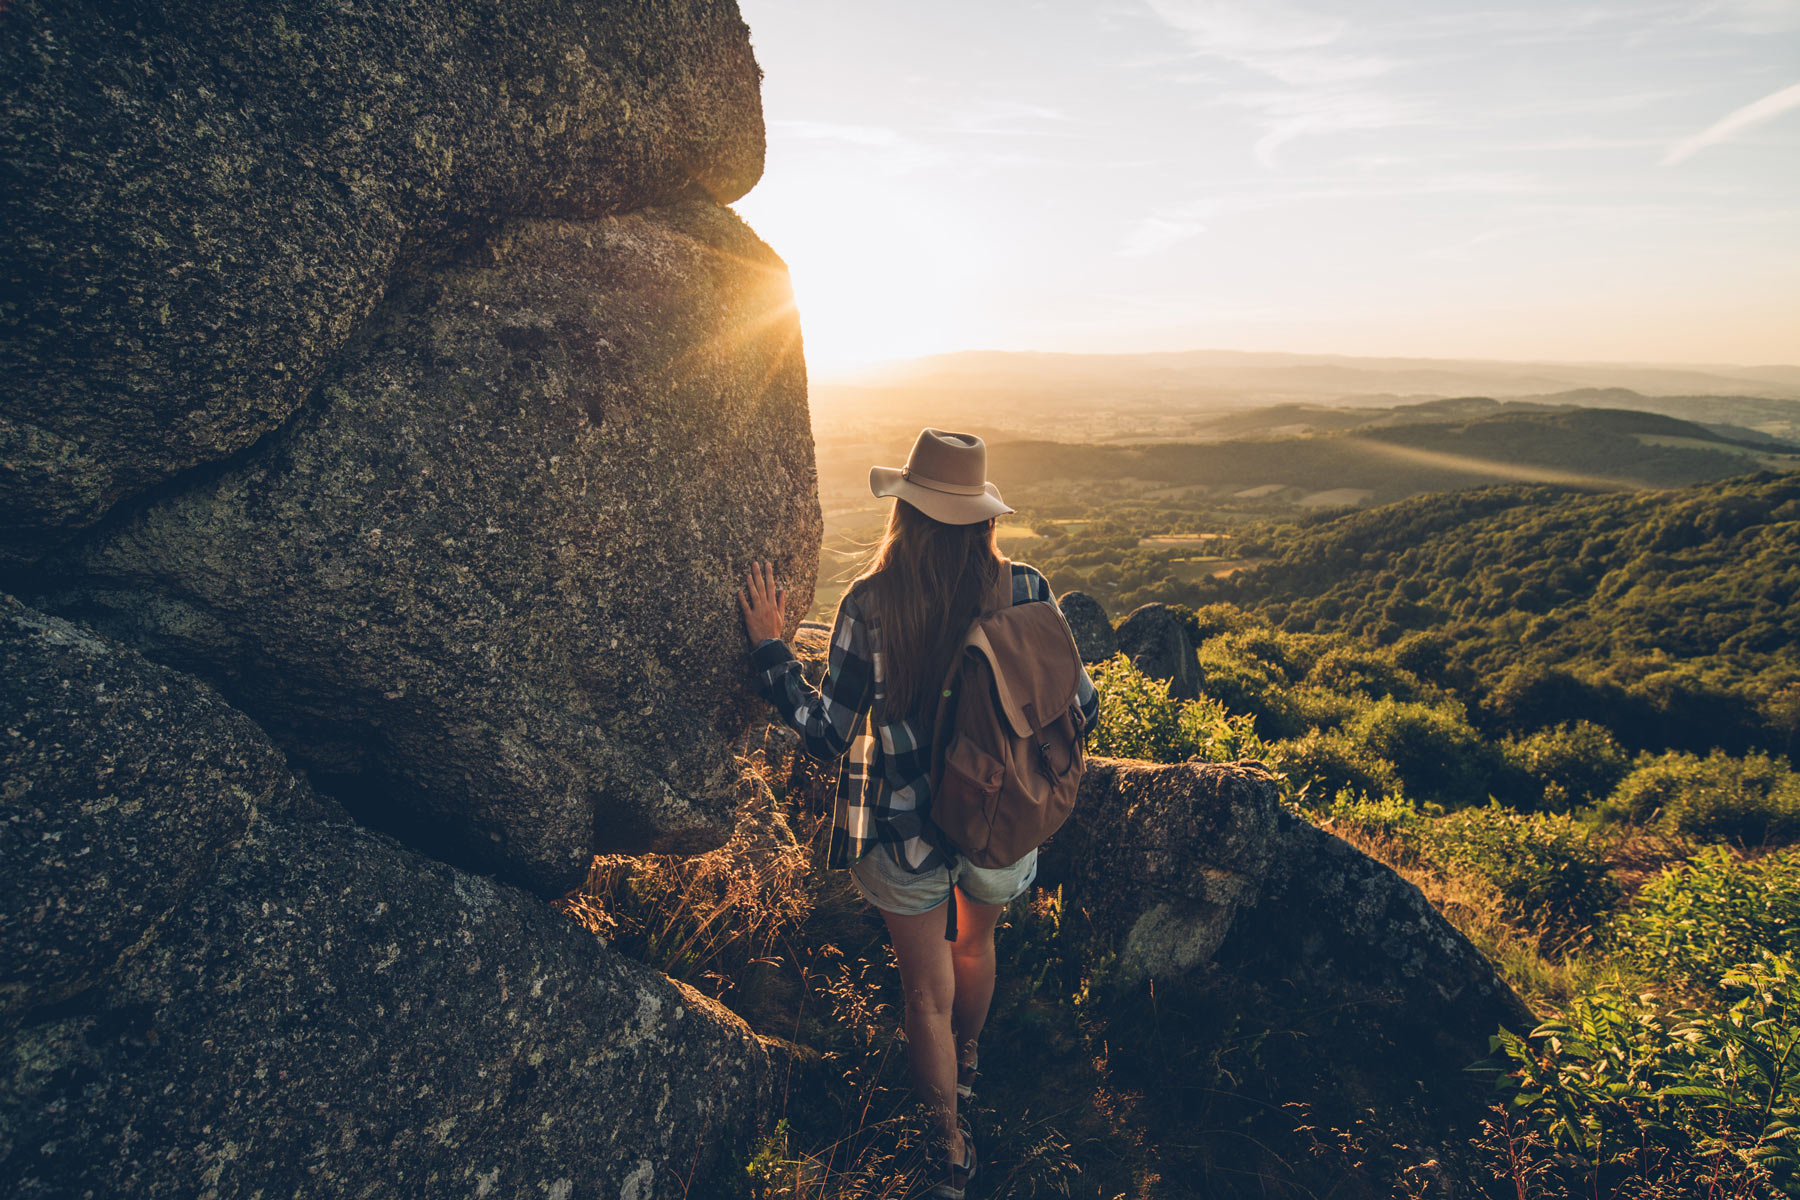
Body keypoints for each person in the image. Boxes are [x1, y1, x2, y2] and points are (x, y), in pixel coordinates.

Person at [737, 428, 1100, 1199]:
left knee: (922, 993)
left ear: (904, 511)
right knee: (975, 947)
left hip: (900, 828)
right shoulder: (1029, 588)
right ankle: (968, 1068)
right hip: (999, 818)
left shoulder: (869, 603)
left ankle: (946, 1151)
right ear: (984, 518)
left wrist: (772, 653)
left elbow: (827, 736)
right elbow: (1082, 707)